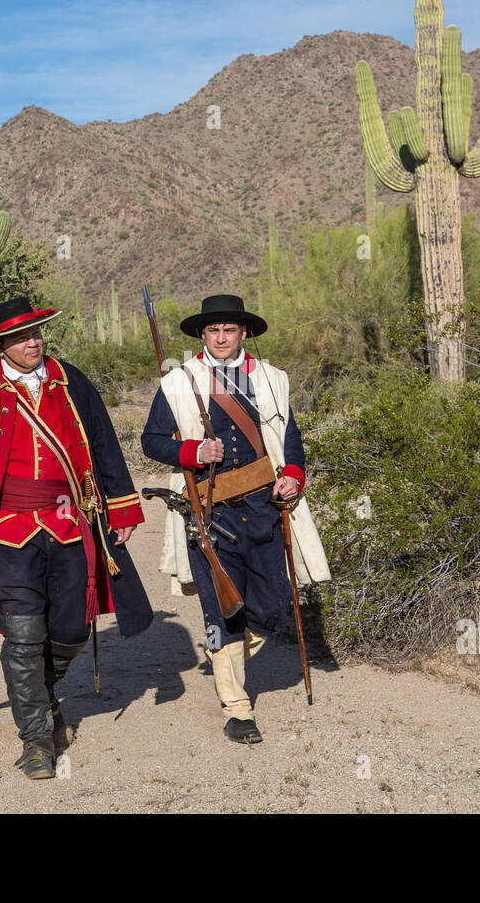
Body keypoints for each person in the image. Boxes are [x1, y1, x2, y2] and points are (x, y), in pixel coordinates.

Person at [0, 293, 153, 779]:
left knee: (74, 627)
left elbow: (102, 443)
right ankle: (36, 736)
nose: (32, 342)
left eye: (35, 332)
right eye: (19, 336)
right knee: (21, 634)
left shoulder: (71, 380)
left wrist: (121, 508)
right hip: (5, 530)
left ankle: (39, 689)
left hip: (69, 523)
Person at [140, 293, 330, 744]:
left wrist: (294, 477)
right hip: (207, 511)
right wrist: (192, 451)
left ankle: (225, 655)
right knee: (222, 608)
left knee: (270, 606)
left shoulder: (272, 379)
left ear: (243, 333)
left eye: (228, 330)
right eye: (212, 331)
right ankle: (237, 707)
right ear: (202, 335)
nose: (221, 337)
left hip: (264, 507)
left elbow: (291, 439)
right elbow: (151, 441)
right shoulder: (178, 383)